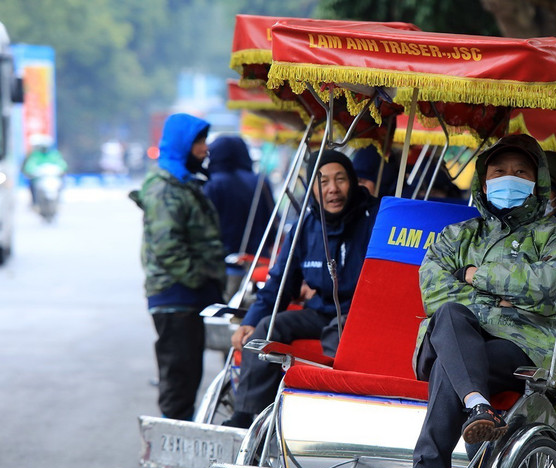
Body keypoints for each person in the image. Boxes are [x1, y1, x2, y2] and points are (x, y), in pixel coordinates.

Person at [385, 134, 556, 468]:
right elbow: (435, 292)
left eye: (521, 172)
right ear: (483, 181)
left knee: (450, 360)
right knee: (449, 317)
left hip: (521, 346)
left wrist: (475, 275)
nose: (509, 178)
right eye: (499, 171)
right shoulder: (458, 235)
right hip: (458, 333)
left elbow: (548, 285)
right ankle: (479, 408)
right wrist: (503, 295)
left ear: (537, 181)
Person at [223, 149, 379, 429]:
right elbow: (279, 284)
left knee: (337, 337)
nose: (333, 189)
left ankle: (330, 421)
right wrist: (250, 321)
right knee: (267, 329)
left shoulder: (374, 219)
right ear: (312, 189)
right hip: (319, 313)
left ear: (353, 182)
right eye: (323, 182)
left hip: (360, 316)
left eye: (340, 179)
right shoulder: (304, 227)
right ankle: (248, 416)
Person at [129, 113, 225, 421]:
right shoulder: (165, 188)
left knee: (188, 371)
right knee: (179, 374)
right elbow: (167, 246)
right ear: (182, 144)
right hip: (175, 297)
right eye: (198, 142)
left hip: (187, 297)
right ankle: (174, 439)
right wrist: (200, 278)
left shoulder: (182, 183)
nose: (204, 149)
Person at [204, 134, 275, 299]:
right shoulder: (260, 182)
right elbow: (272, 225)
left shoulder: (212, 184)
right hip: (258, 266)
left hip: (224, 268)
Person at [22, 134, 68, 206]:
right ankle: (34, 203)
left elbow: (62, 165)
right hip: (39, 179)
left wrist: (61, 170)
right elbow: (29, 167)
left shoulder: (54, 154)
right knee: (32, 185)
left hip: (52, 178)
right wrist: (32, 172)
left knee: (61, 183)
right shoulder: (35, 155)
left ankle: (60, 201)